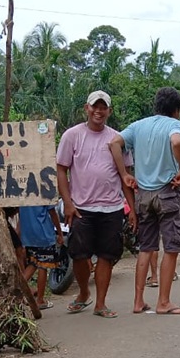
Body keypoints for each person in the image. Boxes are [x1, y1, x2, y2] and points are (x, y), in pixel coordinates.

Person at [109, 86, 180, 315]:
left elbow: (114, 143)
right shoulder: (175, 125)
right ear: (176, 110)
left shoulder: (138, 126)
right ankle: (163, 302)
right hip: (167, 192)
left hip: (143, 194)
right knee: (172, 246)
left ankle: (138, 301)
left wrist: (125, 174)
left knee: (146, 247)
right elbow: (176, 143)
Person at [56, 90, 137, 318]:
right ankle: (83, 293)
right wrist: (68, 203)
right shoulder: (72, 136)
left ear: (109, 111)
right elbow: (61, 170)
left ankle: (100, 303)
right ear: (87, 108)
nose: (98, 111)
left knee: (106, 256)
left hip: (112, 208)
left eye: (103, 107)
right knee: (79, 255)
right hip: (81, 208)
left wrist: (132, 210)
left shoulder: (118, 140)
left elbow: (126, 177)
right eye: (95, 107)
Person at [19, 205, 64, 311]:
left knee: (33, 264)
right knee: (42, 266)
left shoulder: (22, 194)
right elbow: (53, 213)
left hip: (28, 235)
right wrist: (60, 233)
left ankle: (16, 290)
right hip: (43, 234)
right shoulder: (43, 191)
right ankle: (40, 300)